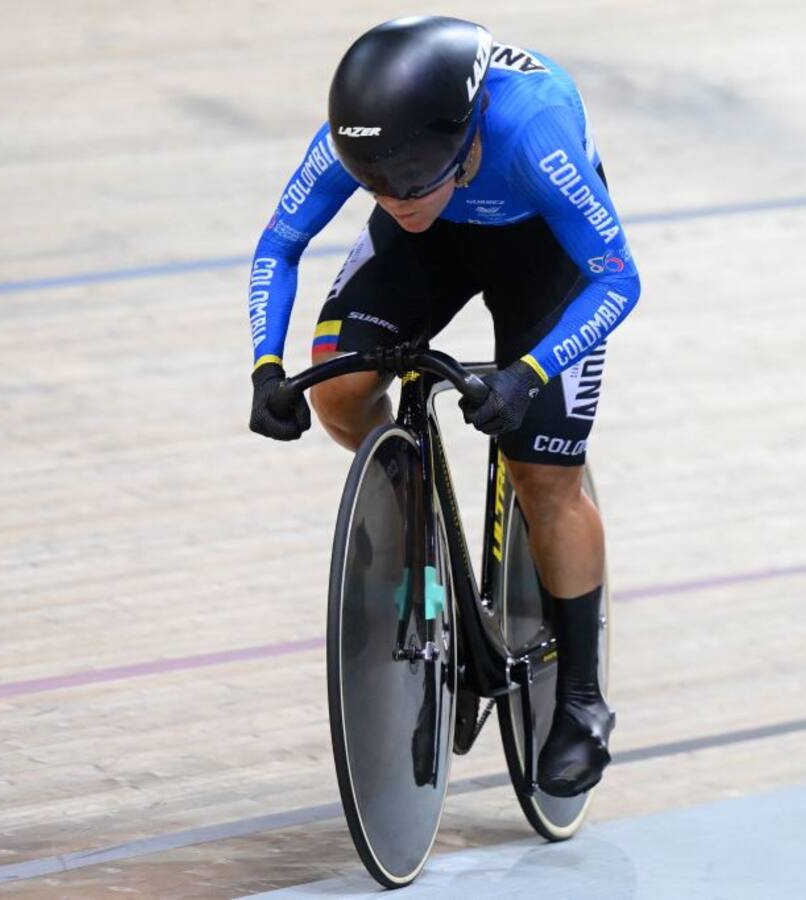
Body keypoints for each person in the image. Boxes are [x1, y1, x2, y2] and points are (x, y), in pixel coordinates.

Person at [245, 15, 640, 797]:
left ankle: (586, 703)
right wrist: (264, 365)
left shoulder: (534, 132)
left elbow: (618, 278)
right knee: (341, 389)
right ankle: (409, 529)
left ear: (463, 141)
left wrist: (527, 375)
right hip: (436, 245)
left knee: (542, 475)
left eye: (411, 180)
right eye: (376, 185)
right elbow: (278, 245)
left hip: (545, 252)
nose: (394, 199)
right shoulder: (374, 152)